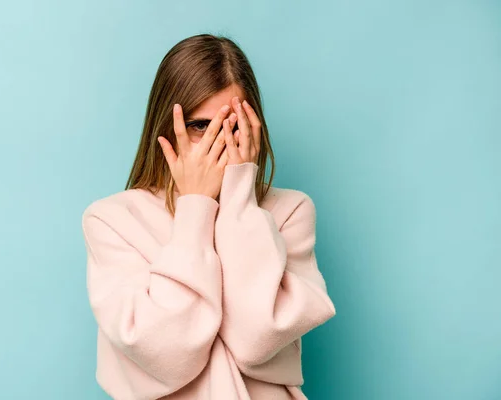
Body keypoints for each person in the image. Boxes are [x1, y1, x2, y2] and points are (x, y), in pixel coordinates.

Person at [81, 33, 336, 400]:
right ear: (167, 127)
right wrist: (195, 206)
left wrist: (238, 198)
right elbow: (169, 353)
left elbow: (257, 338)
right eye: (202, 126)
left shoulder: (289, 212)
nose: (221, 142)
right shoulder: (112, 222)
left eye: (234, 126)